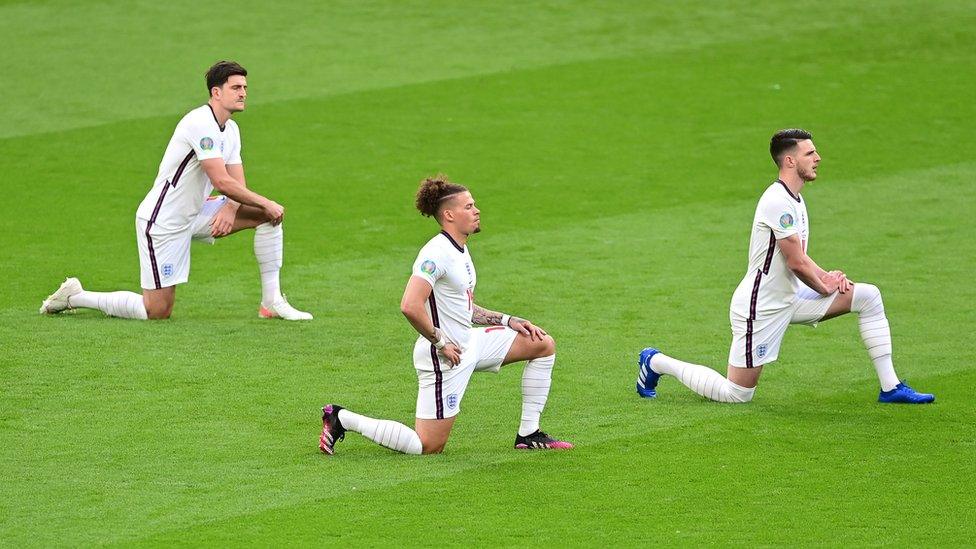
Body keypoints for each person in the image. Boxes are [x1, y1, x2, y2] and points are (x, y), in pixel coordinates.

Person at [636, 129, 934, 404]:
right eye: (809, 154)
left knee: (868, 296)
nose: (818, 158)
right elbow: (795, 262)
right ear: (790, 160)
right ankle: (656, 362)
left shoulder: (796, 199)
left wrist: (827, 276)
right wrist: (824, 284)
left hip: (791, 298)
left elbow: (801, 258)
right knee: (737, 394)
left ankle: (890, 387)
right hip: (761, 307)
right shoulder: (777, 201)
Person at [319, 175, 573, 455]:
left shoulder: (459, 249)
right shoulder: (435, 254)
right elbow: (410, 305)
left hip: (470, 343)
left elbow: (463, 307)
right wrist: (440, 343)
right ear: (449, 215)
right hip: (445, 358)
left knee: (542, 344)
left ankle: (528, 434)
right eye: (469, 206)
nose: (476, 211)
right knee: (428, 446)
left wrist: (507, 320)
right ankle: (341, 418)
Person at [39, 61, 311, 321]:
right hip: (164, 221)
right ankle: (76, 297)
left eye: (245, 88)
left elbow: (236, 182)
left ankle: (271, 302)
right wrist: (266, 201)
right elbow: (221, 180)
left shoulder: (231, 130)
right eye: (236, 88)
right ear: (216, 93)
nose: (243, 93)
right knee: (156, 310)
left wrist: (231, 207)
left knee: (266, 215)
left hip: (196, 213)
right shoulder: (200, 123)